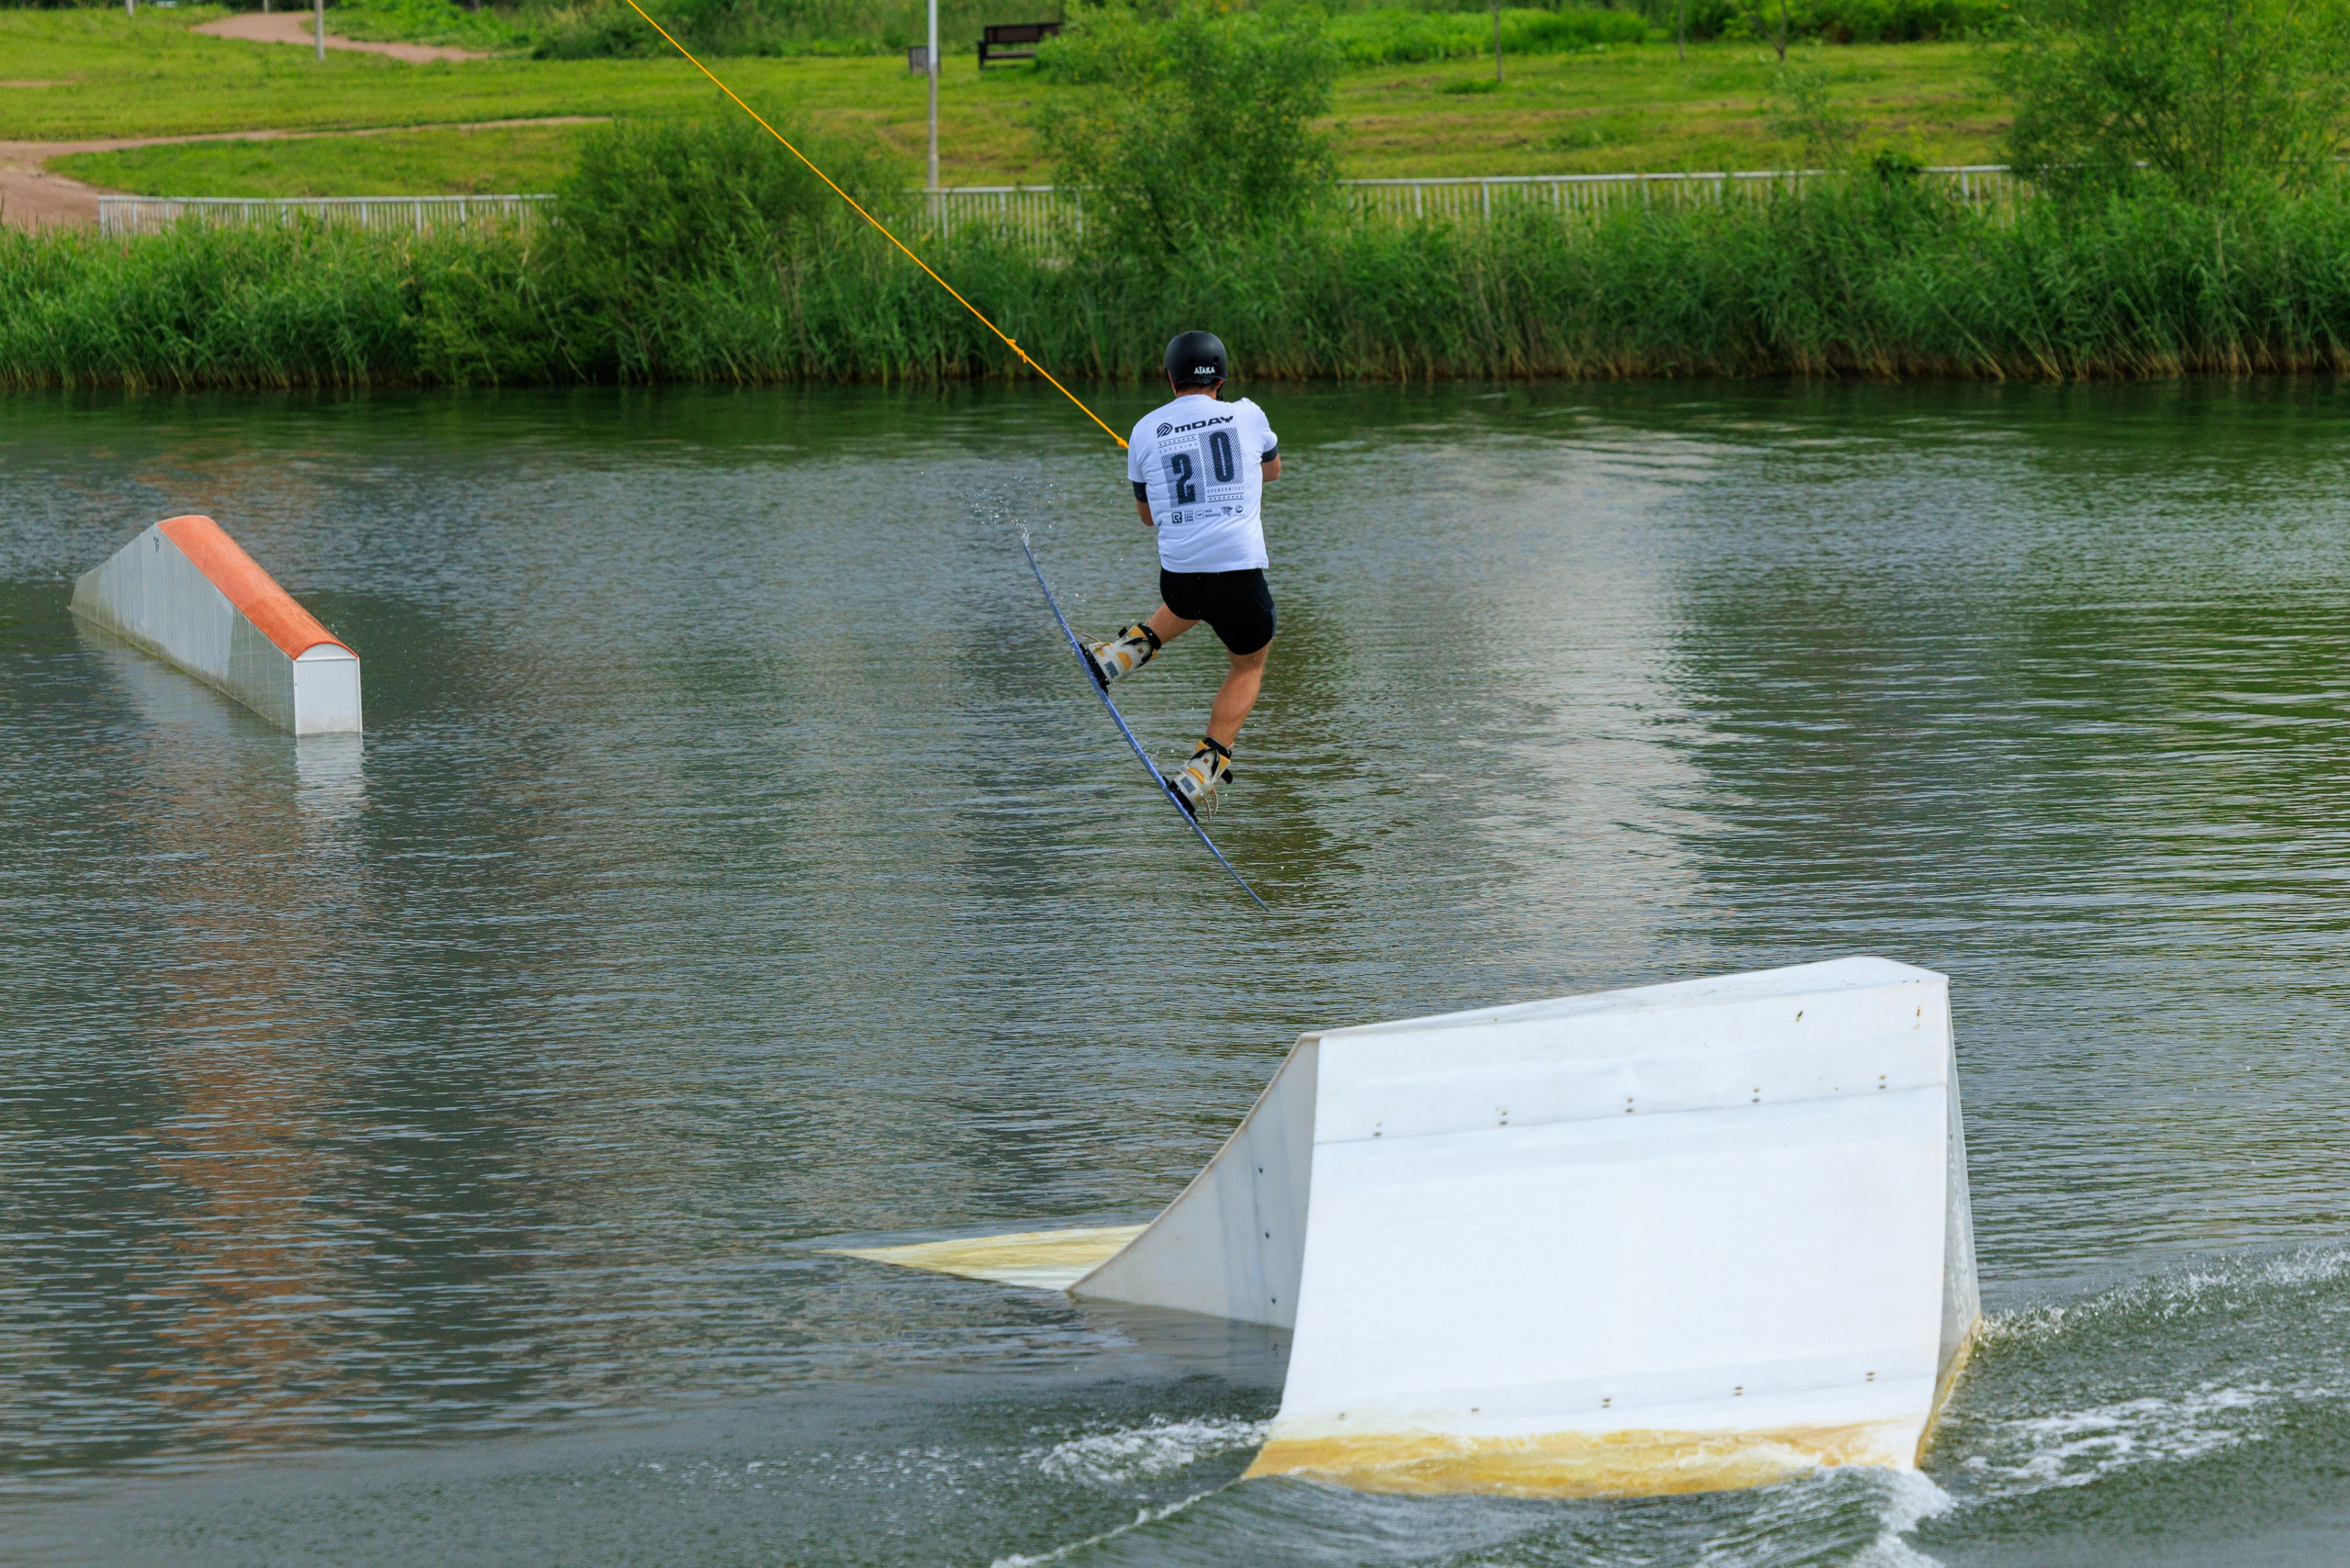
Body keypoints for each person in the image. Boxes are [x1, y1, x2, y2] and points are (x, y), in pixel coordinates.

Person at [1086, 330, 1282, 819]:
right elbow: (1273, 470)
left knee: (1194, 599)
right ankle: (1206, 766)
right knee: (1248, 664)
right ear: (1222, 377)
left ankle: (1125, 653)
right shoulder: (1250, 413)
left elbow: (1148, 516)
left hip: (1179, 581)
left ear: (1169, 379)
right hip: (1239, 579)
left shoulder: (1145, 428)